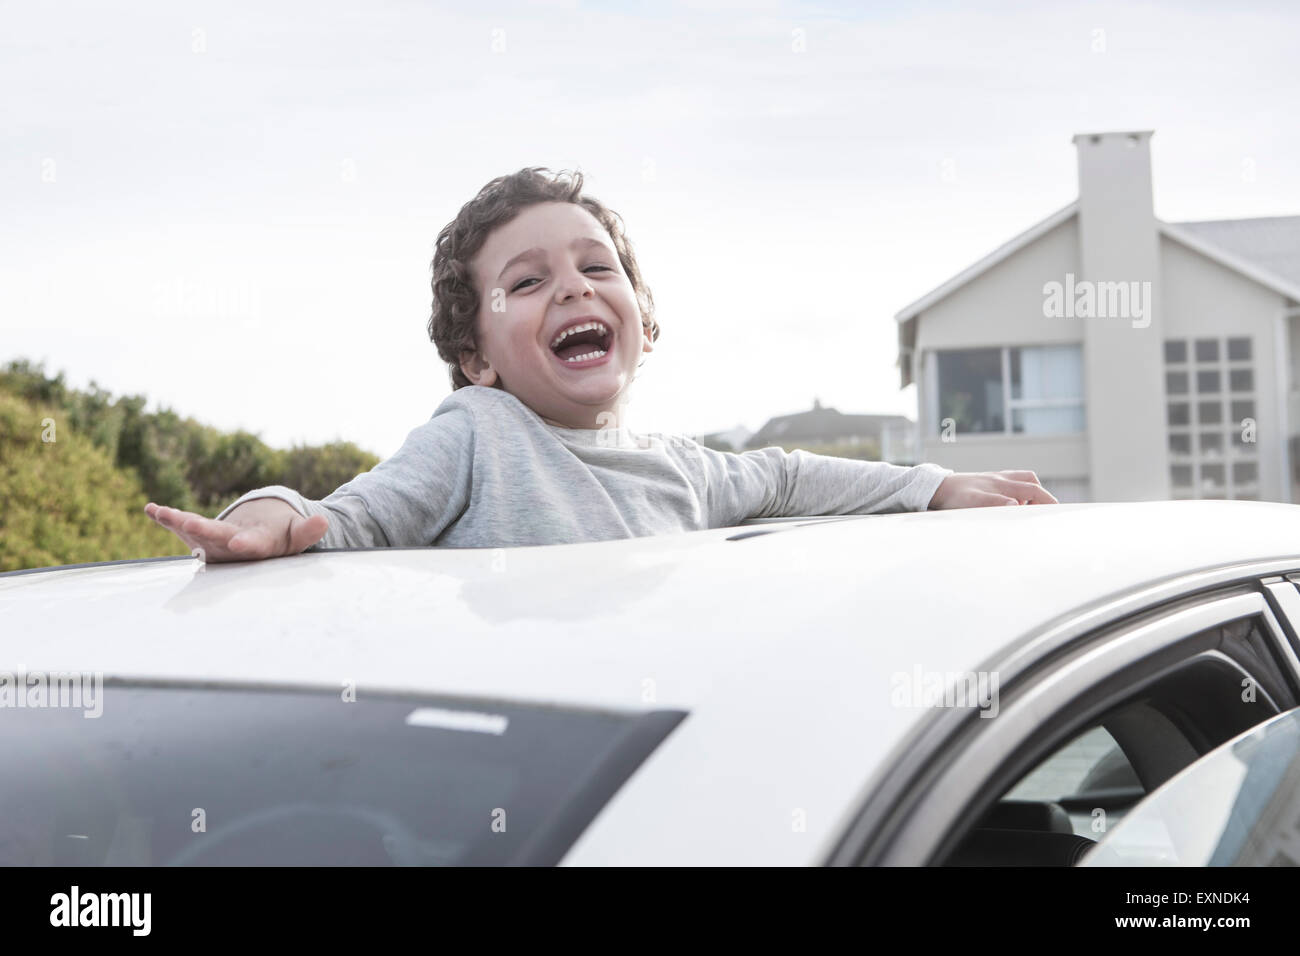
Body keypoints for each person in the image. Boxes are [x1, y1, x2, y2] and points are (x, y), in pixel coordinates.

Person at [145, 167, 1057, 563]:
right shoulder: (478, 433)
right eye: (530, 281)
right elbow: (356, 515)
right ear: (476, 359)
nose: (574, 291)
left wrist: (931, 487)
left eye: (595, 268)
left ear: (643, 325)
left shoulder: (682, 467)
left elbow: (788, 475)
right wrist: (265, 516)